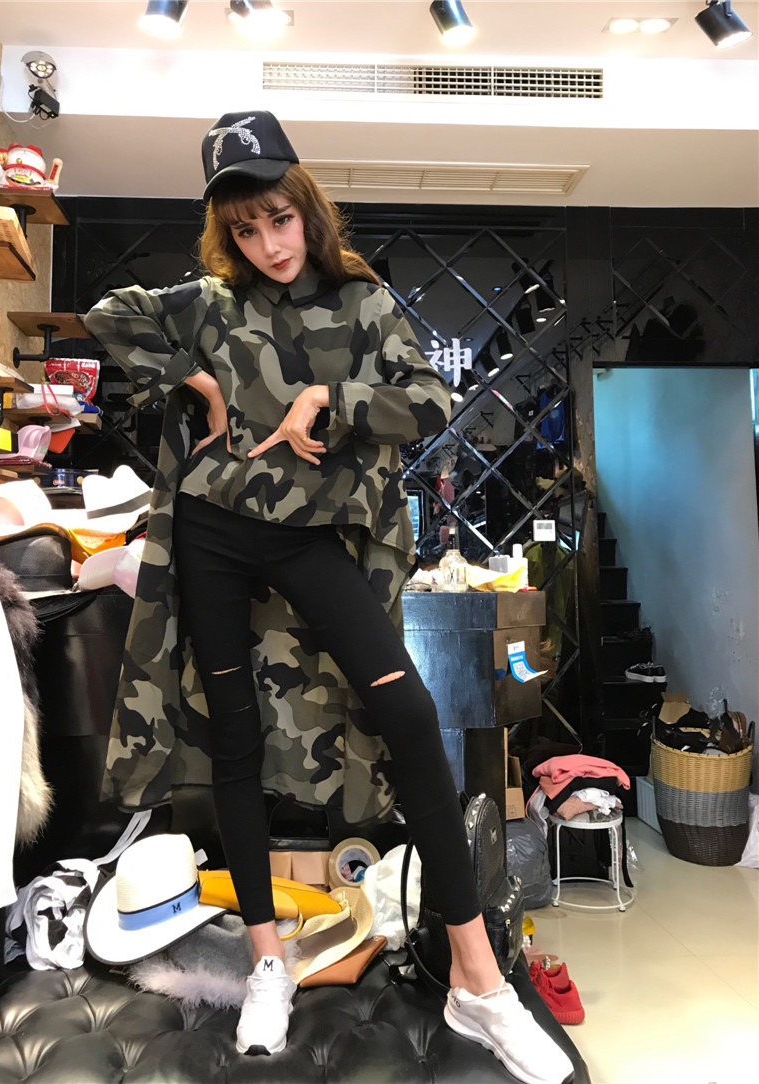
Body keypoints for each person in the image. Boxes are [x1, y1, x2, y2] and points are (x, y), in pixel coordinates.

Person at [85, 110, 574, 1084]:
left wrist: (328, 400)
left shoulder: (357, 302)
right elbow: (109, 318)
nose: (269, 244)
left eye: (279, 218)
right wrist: (198, 381)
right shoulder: (209, 302)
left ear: (305, 207)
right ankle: (267, 961)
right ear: (225, 234)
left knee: (409, 713)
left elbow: (428, 402)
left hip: (310, 538)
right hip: (213, 534)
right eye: (245, 229)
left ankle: (476, 980)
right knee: (234, 739)